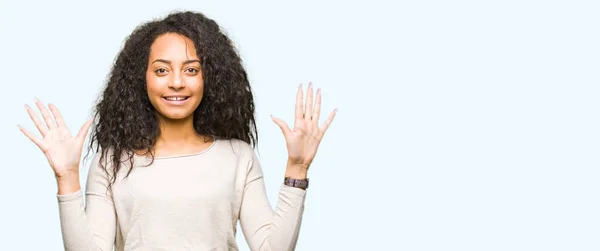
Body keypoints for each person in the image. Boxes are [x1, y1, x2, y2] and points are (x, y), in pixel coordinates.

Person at [18, 11, 336, 251]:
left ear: (209, 78)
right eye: (161, 70)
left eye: (191, 69)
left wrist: (298, 169)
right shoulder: (111, 161)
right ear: (141, 79)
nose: (176, 82)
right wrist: (67, 177)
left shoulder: (238, 156)